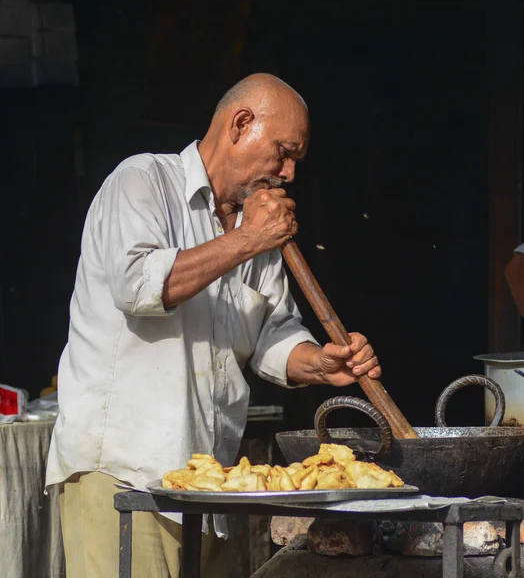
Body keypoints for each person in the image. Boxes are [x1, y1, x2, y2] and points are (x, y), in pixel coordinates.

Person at [46, 73, 382, 578]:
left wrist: (318, 362)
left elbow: (271, 328)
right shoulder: (141, 181)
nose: (288, 172)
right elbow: (137, 285)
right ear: (240, 124)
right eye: (283, 152)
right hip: (123, 478)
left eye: (296, 161)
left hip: (207, 484)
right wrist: (248, 239)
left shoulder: (257, 224)